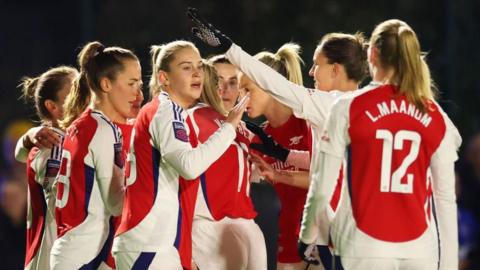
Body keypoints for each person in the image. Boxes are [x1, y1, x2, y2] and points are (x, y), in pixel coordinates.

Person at [186, 8, 368, 268]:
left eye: (318, 65)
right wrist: (285, 156)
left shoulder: (330, 104)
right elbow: (336, 165)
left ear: (336, 70)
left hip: (338, 228)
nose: (312, 72)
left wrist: (229, 48)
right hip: (368, 228)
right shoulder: (370, 106)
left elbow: (274, 84)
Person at [298, 19, 461, 270]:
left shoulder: (347, 107)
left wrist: (307, 234)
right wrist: (448, 264)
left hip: (362, 246)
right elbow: (445, 198)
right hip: (420, 251)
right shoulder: (435, 114)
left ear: (372, 54)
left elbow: (322, 186)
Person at [113, 40, 248, 270]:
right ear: (164, 78)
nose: (197, 73)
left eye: (198, 66)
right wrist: (229, 127)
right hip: (149, 244)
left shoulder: (170, 112)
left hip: (158, 243)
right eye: (186, 67)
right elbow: (189, 165)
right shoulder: (167, 110)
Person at [51, 41, 143, 269]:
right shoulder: (103, 129)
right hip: (87, 254)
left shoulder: (82, 124)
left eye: (140, 84)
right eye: (131, 83)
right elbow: (115, 204)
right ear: (106, 84)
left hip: (72, 249)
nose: (138, 92)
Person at [237, 43, 318, 270]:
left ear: (268, 84)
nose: (241, 99)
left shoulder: (308, 121)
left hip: (319, 241)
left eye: (248, 90)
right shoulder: (260, 137)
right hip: (284, 244)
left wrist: (280, 176)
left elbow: (327, 177)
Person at [182, 60, 266, 270]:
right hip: (207, 231)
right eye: (218, 81)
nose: (224, 89)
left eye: (233, 82)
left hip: (248, 229)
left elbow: (262, 172)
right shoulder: (190, 117)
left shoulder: (247, 130)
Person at [17, 66, 77, 270]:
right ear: (53, 106)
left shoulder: (69, 141)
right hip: (50, 260)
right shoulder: (51, 146)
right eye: (74, 92)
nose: (83, 98)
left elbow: (20, 152)